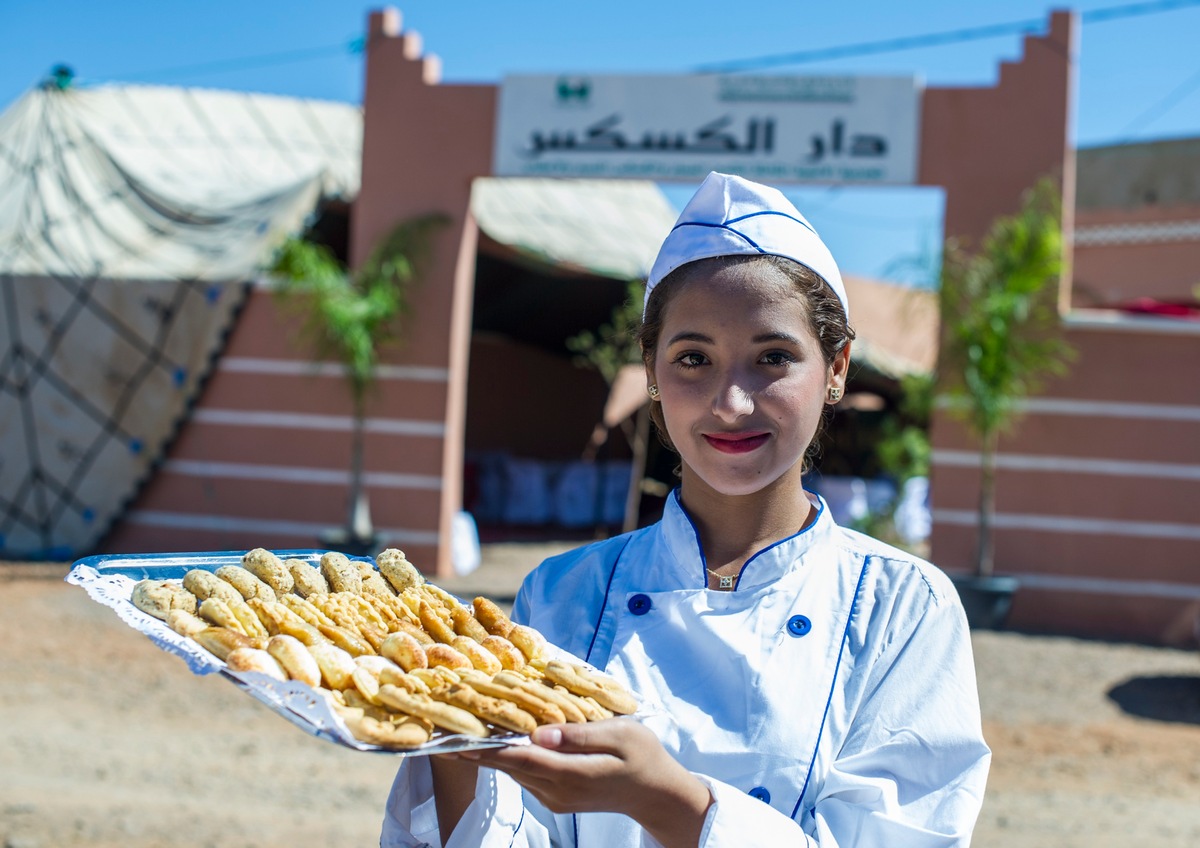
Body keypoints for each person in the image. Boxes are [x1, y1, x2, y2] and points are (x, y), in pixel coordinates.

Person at [381, 171, 991, 847]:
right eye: (693, 357)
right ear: (651, 369)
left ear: (837, 367)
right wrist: (453, 739)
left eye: (773, 357)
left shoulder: (902, 608)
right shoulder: (562, 595)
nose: (730, 403)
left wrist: (663, 799)